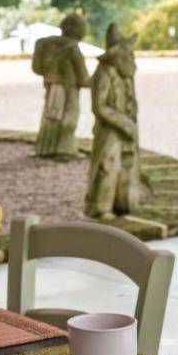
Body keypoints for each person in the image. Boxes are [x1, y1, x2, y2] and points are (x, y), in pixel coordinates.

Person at [85, 23, 144, 217]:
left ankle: (123, 202)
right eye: (128, 55)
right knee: (108, 166)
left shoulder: (125, 75)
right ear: (117, 55)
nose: (132, 60)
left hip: (126, 129)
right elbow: (99, 106)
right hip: (109, 130)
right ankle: (101, 207)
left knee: (127, 166)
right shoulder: (104, 74)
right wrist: (123, 123)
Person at [30, 13, 90, 160]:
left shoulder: (45, 44)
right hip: (69, 89)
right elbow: (83, 78)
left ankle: (44, 148)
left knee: (50, 116)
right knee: (68, 117)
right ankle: (65, 150)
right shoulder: (72, 48)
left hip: (51, 86)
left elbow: (37, 68)